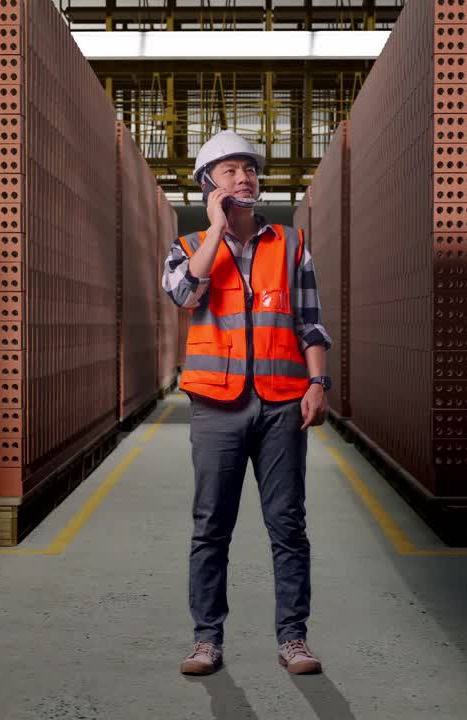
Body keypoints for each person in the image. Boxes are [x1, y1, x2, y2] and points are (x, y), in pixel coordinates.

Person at [161, 130, 333, 676]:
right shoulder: (187, 248)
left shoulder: (292, 243)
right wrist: (214, 229)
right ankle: (206, 640)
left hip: (283, 404)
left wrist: (317, 384)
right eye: (231, 170)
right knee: (211, 526)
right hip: (217, 405)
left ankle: (294, 640)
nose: (245, 178)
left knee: (287, 525)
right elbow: (185, 295)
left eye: (250, 170)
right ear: (209, 182)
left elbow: (311, 323)